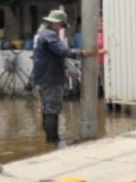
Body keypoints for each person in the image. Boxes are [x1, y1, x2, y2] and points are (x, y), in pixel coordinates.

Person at [32, 9, 96, 142]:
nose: (61, 28)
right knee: (52, 108)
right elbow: (62, 51)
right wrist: (82, 53)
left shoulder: (42, 34)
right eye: (61, 25)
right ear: (56, 23)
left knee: (47, 108)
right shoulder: (50, 35)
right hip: (51, 77)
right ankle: (53, 140)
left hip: (43, 77)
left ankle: (50, 141)